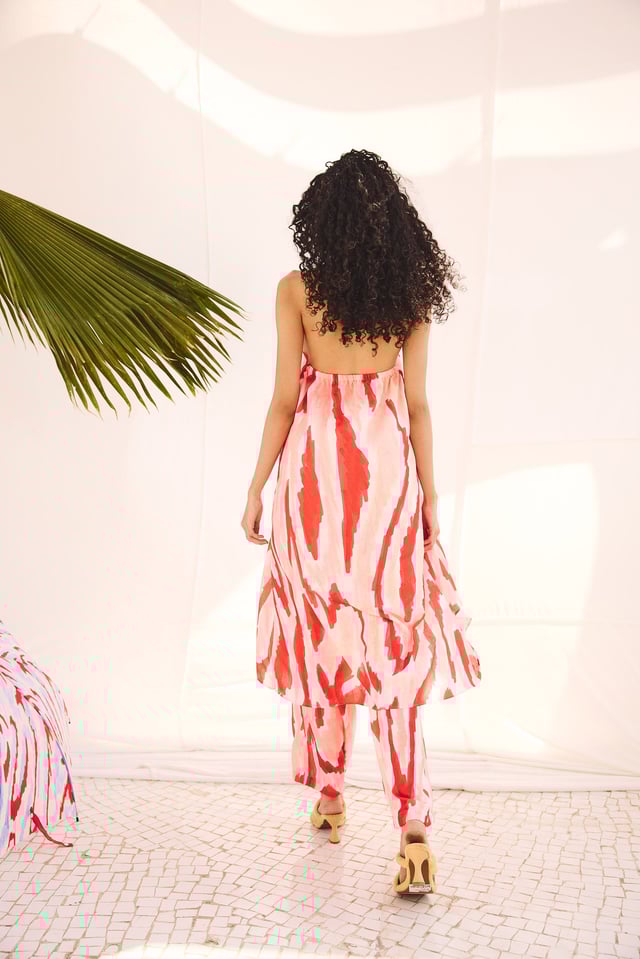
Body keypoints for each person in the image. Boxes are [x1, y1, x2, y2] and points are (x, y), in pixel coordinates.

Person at [241, 148, 482, 896]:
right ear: (395, 225)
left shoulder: (296, 292)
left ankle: (330, 795)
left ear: (321, 222)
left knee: (324, 640)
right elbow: (418, 407)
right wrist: (430, 497)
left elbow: (285, 401)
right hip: (387, 494)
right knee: (393, 650)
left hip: (314, 494)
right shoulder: (408, 302)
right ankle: (413, 830)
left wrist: (255, 487)